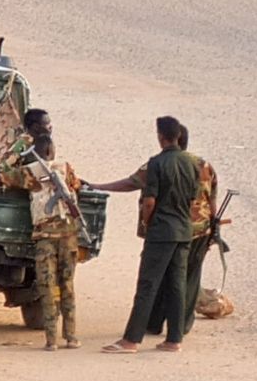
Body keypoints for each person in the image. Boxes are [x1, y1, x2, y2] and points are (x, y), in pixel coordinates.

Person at [88, 125, 217, 336]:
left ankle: (151, 324)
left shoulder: (158, 163)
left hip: (166, 231)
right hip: (198, 230)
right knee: (187, 279)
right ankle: (179, 329)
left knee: (155, 279)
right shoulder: (203, 165)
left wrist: (98, 187)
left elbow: (134, 184)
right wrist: (214, 228)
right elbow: (212, 199)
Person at [102, 116, 199, 354]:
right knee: (177, 284)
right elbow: (194, 201)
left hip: (161, 231)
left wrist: (148, 222)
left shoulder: (157, 163)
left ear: (160, 136)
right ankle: (174, 339)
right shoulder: (193, 163)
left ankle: (131, 340)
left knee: (148, 284)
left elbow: (149, 201)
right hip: (184, 231)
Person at [0, 109, 82, 351]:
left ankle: (52, 341)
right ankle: (71, 337)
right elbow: (78, 185)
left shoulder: (31, 173)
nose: (50, 127)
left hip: (45, 238)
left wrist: (21, 175)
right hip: (69, 235)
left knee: (47, 287)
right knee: (68, 286)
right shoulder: (65, 168)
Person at [0, 108, 52, 174]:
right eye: (47, 124)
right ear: (36, 127)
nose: (51, 126)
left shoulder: (45, 141)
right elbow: (3, 171)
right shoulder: (21, 145)